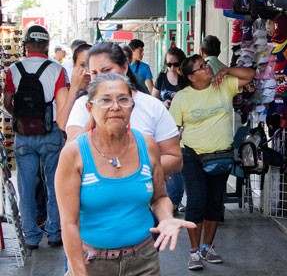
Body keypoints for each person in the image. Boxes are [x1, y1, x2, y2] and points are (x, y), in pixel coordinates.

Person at [55, 73, 196, 276]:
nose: (115, 107)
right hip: (92, 264)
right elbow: (69, 223)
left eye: (123, 99)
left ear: (132, 106)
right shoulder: (74, 154)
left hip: (144, 261)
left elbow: (160, 197)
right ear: (90, 108)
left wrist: (166, 218)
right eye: (105, 100)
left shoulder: (147, 146)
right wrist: (78, 271)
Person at [169, 54, 255, 271]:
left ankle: (207, 247)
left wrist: (225, 70)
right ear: (191, 77)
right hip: (192, 156)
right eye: (200, 67)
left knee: (215, 204)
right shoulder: (182, 98)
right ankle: (194, 251)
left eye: (205, 64)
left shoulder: (223, 84)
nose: (206, 68)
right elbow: (172, 130)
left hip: (221, 156)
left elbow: (250, 75)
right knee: (197, 202)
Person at [64, 42, 182, 177]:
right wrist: (94, 115)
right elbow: (69, 155)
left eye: (106, 70)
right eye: (94, 73)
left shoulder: (152, 106)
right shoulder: (83, 106)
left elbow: (174, 158)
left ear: (125, 68)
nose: (100, 78)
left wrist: (139, 171)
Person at [3, 25, 68, 250]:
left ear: (26, 44)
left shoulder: (13, 69)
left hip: (23, 136)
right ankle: (54, 233)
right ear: (47, 45)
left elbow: (7, 103)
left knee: (26, 186)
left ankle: (31, 236)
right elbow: (63, 104)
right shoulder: (57, 69)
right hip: (51, 133)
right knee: (54, 184)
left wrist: (21, 119)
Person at [152, 46, 187, 213]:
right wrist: (163, 104)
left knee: (181, 162)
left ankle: (177, 199)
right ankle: (173, 201)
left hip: (186, 126)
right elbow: (153, 99)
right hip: (166, 127)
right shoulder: (161, 78)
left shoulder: (186, 79)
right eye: (168, 64)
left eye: (175, 64)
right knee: (171, 163)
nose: (172, 68)